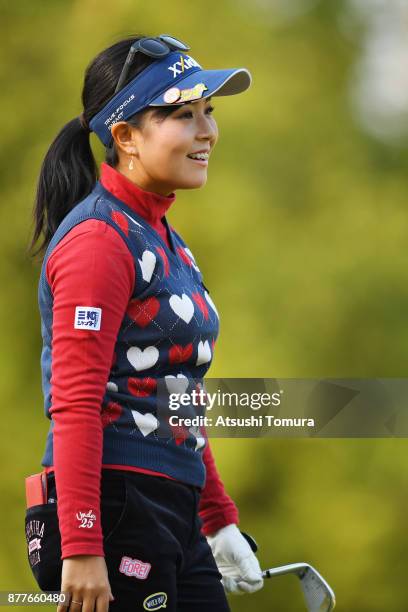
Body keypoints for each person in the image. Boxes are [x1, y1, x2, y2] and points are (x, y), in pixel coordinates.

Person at [26, 33, 264, 612]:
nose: (207, 131)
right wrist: (82, 544)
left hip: (170, 507)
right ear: (125, 135)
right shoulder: (99, 241)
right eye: (184, 114)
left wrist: (218, 518)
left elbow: (177, 395)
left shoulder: (165, 240)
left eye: (208, 112)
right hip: (112, 508)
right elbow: (76, 401)